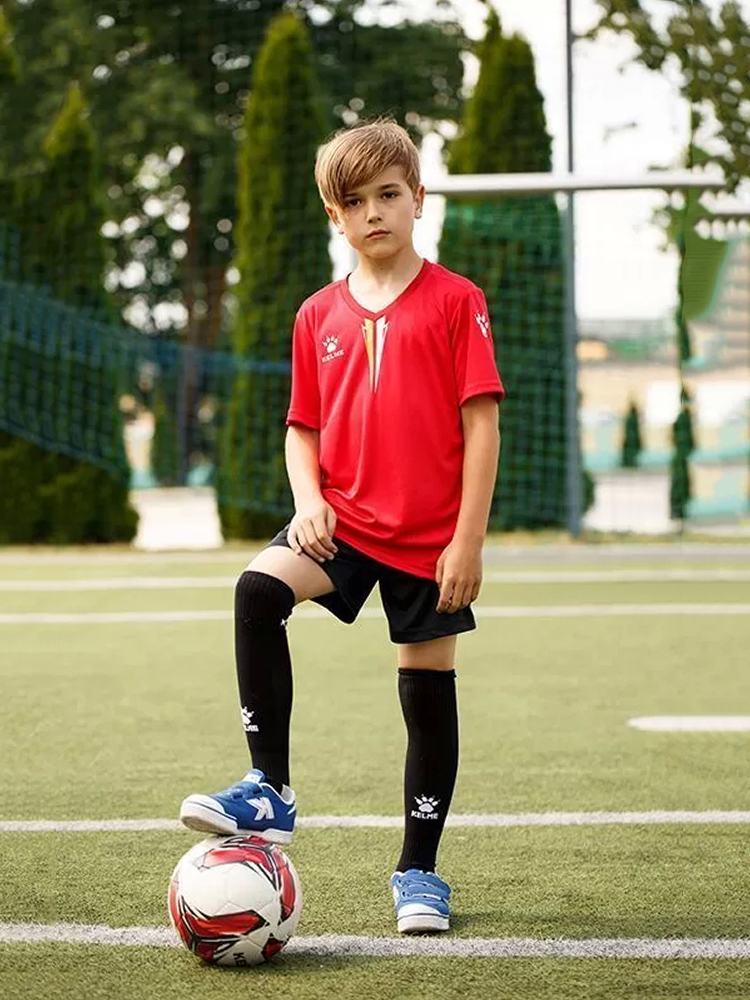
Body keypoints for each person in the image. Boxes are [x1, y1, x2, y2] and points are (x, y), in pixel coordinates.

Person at [180, 119, 504, 935]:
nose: (373, 213)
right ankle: (269, 787)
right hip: (345, 525)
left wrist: (467, 539)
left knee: (426, 696)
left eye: (388, 195)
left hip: (430, 541)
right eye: (354, 202)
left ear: (418, 198)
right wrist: (308, 499)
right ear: (335, 216)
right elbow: (302, 428)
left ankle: (419, 872)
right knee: (258, 590)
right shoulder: (316, 314)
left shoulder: (457, 301)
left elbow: (482, 427)